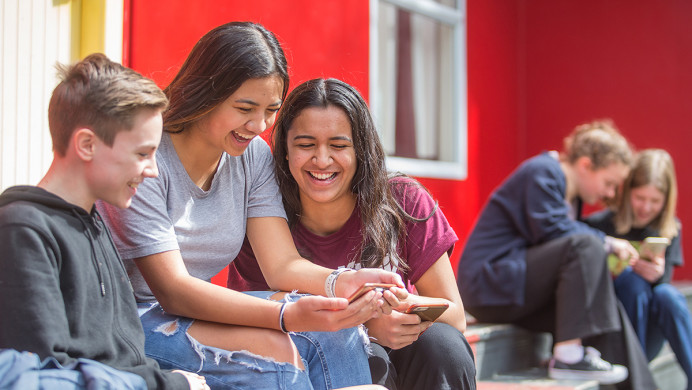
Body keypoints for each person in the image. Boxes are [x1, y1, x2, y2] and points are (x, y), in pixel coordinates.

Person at [97, 22, 397, 390]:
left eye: (271, 109)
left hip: (193, 314)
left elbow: (282, 265)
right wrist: (286, 315)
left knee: (337, 331)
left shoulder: (252, 156)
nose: (259, 125)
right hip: (130, 321)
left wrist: (339, 283)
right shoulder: (146, 156)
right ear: (206, 91)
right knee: (270, 356)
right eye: (245, 108)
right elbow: (172, 290)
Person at [227, 78, 477, 390]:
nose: (321, 159)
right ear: (285, 151)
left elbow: (455, 317)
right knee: (363, 354)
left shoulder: (402, 200)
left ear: (361, 149)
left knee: (443, 345)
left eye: (339, 145)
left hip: (404, 347)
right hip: (310, 360)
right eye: (305, 145)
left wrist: (402, 309)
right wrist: (368, 325)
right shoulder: (265, 212)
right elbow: (256, 315)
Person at [0, 53, 207, 390]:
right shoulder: (22, 230)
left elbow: (124, 356)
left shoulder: (94, 220)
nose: (152, 169)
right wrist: (171, 385)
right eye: (142, 153)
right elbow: (47, 375)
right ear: (86, 144)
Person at [457, 120, 657, 389]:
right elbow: (553, 231)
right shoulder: (543, 171)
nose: (608, 194)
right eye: (609, 183)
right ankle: (568, 359)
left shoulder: (570, 196)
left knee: (609, 312)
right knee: (587, 244)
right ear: (585, 165)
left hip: (517, 286)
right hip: (490, 284)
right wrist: (607, 242)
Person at [586, 148, 691, 389]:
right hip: (611, 330)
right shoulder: (599, 225)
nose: (646, 207)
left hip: (647, 332)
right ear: (627, 192)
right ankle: (634, 379)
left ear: (666, 200)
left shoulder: (670, 229)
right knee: (631, 281)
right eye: (640, 198)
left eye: (655, 201)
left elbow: (661, 292)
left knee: (669, 295)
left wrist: (657, 275)